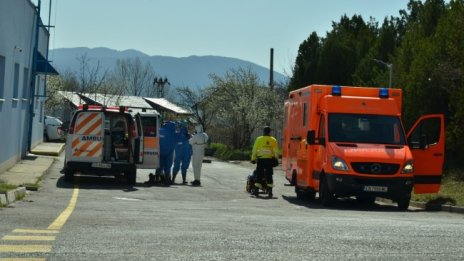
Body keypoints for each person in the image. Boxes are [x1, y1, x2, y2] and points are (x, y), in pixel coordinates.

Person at [250, 126, 279, 193]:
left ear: (263, 131)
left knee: (259, 173)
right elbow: (276, 151)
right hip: (269, 160)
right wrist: (276, 159)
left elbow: (254, 150)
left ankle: (257, 188)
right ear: (270, 131)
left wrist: (253, 159)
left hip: (260, 159)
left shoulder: (259, 139)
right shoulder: (273, 140)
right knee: (269, 174)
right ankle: (269, 189)